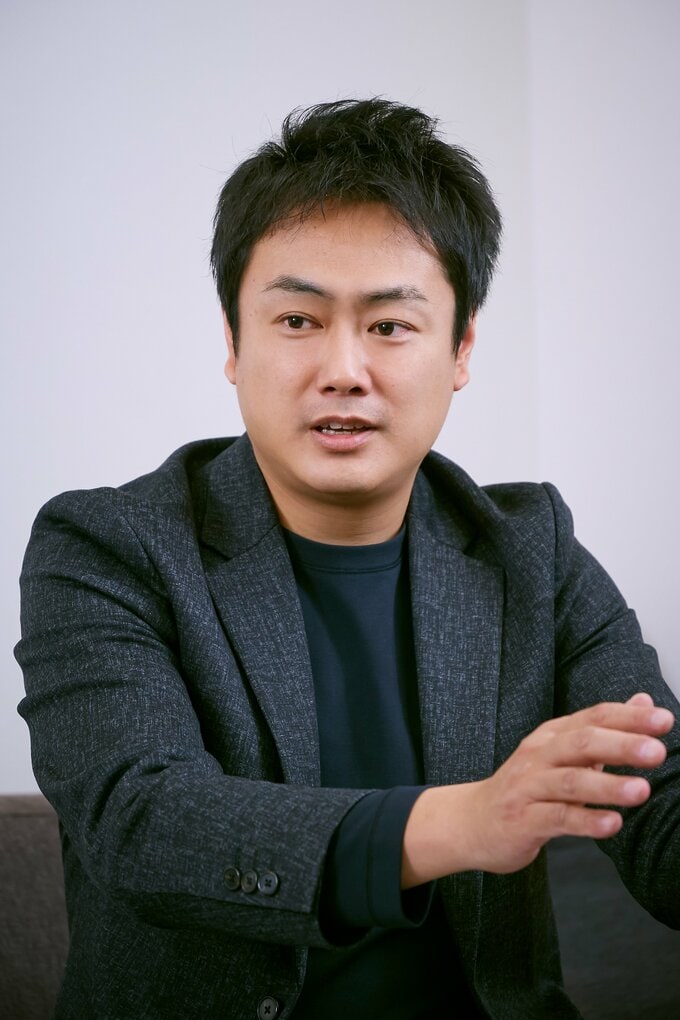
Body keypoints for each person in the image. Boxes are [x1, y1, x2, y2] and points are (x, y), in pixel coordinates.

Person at [15, 99, 680, 1019]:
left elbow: (659, 804)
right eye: (297, 320)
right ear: (233, 341)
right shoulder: (107, 548)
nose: (343, 370)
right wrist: (465, 820)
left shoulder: (532, 551)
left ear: (462, 349)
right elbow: (144, 822)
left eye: (390, 326)